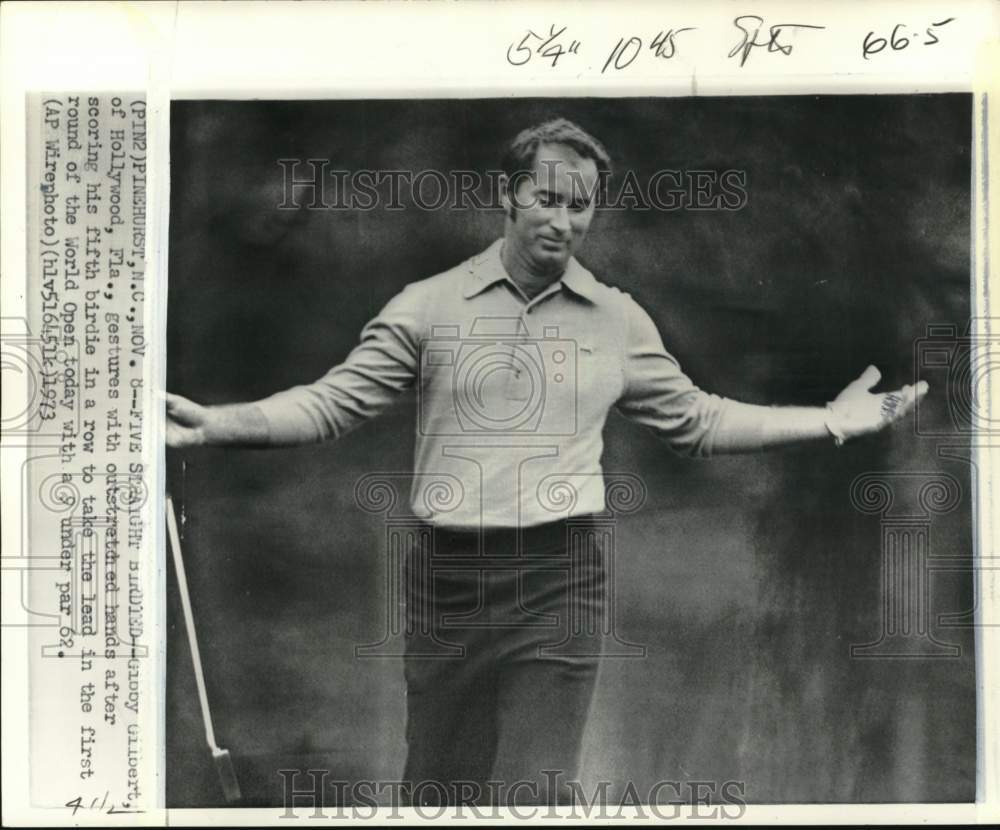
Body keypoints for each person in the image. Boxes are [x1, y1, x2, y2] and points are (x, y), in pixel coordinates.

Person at [166, 118, 927, 806]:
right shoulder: (428, 306)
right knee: (438, 792)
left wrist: (830, 422)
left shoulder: (616, 319)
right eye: (548, 199)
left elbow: (698, 420)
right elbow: (333, 403)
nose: (564, 221)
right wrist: (216, 425)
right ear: (509, 194)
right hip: (447, 584)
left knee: (534, 794)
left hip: (559, 578)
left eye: (581, 205)